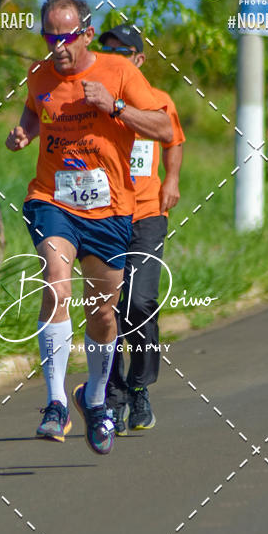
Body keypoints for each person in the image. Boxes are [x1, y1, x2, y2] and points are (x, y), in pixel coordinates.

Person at [5, 0, 172, 455]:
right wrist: (25, 131)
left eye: (65, 37)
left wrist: (115, 107)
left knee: (102, 312)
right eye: (49, 37)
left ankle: (94, 400)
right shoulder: (39, 75)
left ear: (86, 33)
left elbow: (163, 128)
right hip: (51, 199)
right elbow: (35, 107)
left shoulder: (120, 73)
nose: (57, 47)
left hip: (111, 211)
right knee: (55, 284)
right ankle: (55, 402)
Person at [99, 25, 185, 435]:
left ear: (139, 59)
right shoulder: (92, 97)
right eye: (106, 49)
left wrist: (172, 180)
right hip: (103, 214)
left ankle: (139, 385)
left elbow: (174, 140)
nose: (112, 56)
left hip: (148, 213)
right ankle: (112, 399)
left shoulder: (159, 100)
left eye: (121, 51)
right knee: (107, 308)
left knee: (139, 302)